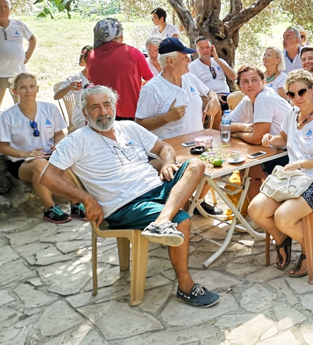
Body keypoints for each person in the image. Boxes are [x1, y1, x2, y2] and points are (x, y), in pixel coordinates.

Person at [40, 85, 220, 308]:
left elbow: (163, 147)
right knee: (182, 220)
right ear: (85, 113)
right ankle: (185, 286)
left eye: (107, 104)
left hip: (156, 187)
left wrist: (167, 162)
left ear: (114, 106)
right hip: (126, 205)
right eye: (95, 107)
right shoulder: (76, 140)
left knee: (196, 164)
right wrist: (86, 199)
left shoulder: (129, 127)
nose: (103, 111)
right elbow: (48, 177)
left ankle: (162, 221)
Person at [248, 69, 313, 277]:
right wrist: (271, 139)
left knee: (283, 217)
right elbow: (283, 138)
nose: (297, 97)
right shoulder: (292, 114)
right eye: (291, 94)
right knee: (255, 210)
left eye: (301, 92)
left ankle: (310, 248)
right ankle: (281, 238)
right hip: (296, 178)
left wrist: (301, 164)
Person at [135, 37, 222, 216]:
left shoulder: (189, 78)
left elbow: (210, 92)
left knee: (220, 164)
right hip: (170, 151)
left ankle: (196, 203)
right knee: (195, 170)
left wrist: (213, 99)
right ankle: (186, 206)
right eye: (184, 57)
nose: (189, 60)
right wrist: (166, 117)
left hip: (198, 144)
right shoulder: (152, 89)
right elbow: (139, 124)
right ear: (170, 61)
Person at [0, 73, 77, 223]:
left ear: (38, 89)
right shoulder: (7, 116)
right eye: (23, 87)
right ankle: (49, 208)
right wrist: (26, 153)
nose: (28, 91)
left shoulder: (50, 108)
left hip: (49, 156)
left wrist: (58, 146)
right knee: (39, 164)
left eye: (32, 86)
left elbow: (59, 134)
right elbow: (2, 147)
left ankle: (76, 204)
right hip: (22, 162)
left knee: (67, 162)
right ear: (14, 91)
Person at [230, 65, 291, 202]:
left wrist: (237, 134)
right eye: (245, 81)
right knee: (245, 166)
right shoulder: (248, 100)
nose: (250, 85)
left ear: (263, 82)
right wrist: (243, 127)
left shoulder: (264, 98)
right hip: (272, 150)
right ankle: (257, 209)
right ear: (239, 87)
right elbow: (224, 125)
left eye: (254, 80)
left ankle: (258, 210)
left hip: (288, 153)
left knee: (247, 168)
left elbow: (257, 138)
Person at [87, 18, 154, 120]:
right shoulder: (132, 53)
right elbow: (150, 79)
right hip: (130, 111)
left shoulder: (91, 56)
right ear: (120, 35)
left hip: (101, 114)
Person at [0, 0, 37, 108]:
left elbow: (32, 39)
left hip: (18, 74)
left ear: (10, 9)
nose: (3, 10)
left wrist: (27, 55)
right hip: (0, 74)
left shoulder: (18, 25)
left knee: (23, 105)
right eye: (0, 7)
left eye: (6, 7)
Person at [189, 36, 236, 110]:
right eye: (201, 48)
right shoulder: (193, 66)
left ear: (212, 48)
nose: (205, 50)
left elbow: (234, 77)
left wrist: (217, 60)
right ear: (197, 50)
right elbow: (195, 88)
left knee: (240, 98)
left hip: (226, 95)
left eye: (207, 47)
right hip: (209, 98)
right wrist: (214, 96)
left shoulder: (220, 61)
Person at [54, 45, 93, 130]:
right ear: (82, 61)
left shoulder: (103, 75)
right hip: (81, 115)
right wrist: (69, 87)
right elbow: (56, 96)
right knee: (94, 125)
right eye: (88, 59)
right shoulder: (75, 78)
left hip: (98, 112)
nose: (91, 62)